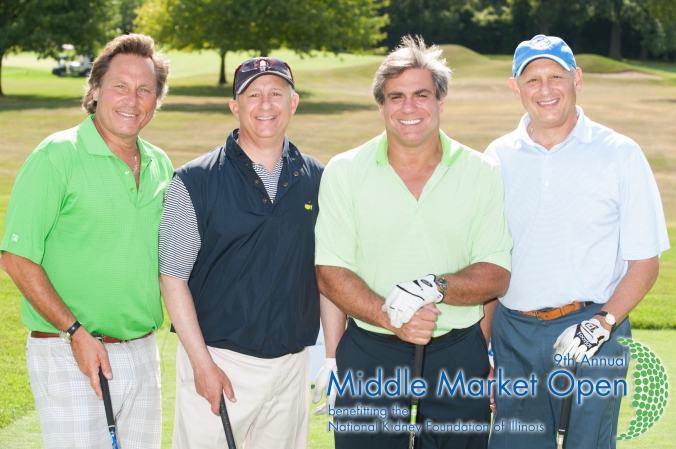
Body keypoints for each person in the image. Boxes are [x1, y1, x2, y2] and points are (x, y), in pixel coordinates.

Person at [314, 35, 513, 449]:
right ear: (382, 106)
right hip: (370, 348)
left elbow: (495, 273)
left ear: (441, 102)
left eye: (421, 95)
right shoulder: (344, 171)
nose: (409, 108)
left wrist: (436, 287)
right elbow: (331, 272)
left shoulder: (482, 172)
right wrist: (390, 318)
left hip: (458, 351)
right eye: (396, 97)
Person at [485, 35, 669, 449]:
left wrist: (601, 323)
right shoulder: (496, 157)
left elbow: (644, 262)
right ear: (516, 88)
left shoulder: (620, 153)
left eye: (556, 76)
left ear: (577, 79)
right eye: (532, 80)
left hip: (596, 328)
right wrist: (487, 352)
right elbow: (490, 265)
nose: (545, 89)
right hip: (515, 333)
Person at [0, 34, 172, 448]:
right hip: (69, 350)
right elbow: (16, 257)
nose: (132, 99)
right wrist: (75, 332)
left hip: (144, 352)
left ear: (156, 100)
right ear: (95, 91)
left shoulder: (160, 165)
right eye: (120, 86)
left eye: (144, 89)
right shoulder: (55, 156)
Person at [158, 56, 324, 449]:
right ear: (235, 106)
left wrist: (330, 357)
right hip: (219, 362)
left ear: (293, 102)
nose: (265, 105)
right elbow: (172, 278)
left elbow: (327, 275)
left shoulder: (319, 179)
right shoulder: (194, 180)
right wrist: (202, 365)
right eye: (253, 95)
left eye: (276, 94)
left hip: (291, 364)